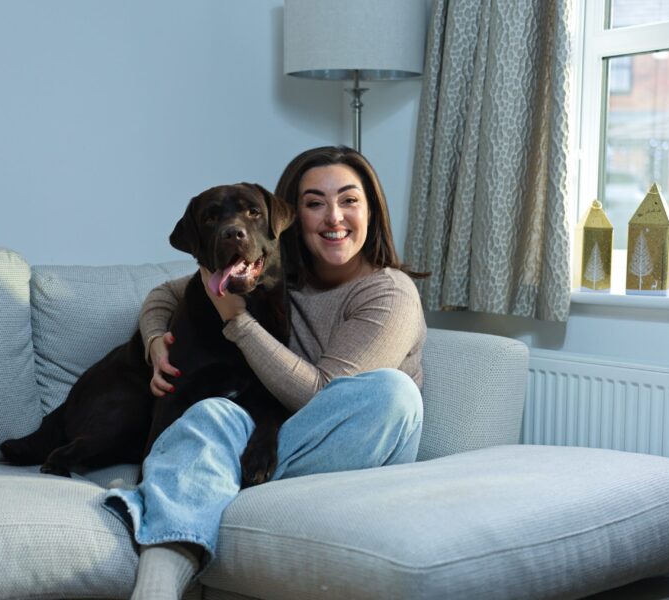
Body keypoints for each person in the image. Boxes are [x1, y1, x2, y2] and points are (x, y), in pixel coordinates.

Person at [103, 146, 428, 599]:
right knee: (211, 414)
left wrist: (237, 320)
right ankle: (155, 587)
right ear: (292, 217)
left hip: (347, 439)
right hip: (266, 436)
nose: (334, 217)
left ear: (371, 210)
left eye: (349, 200)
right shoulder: (274, 269)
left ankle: (197, 478)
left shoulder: (388, 292)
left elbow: (323, 395)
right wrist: (156, 341)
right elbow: (167, 292)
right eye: (315, 203)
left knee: (392, 393)